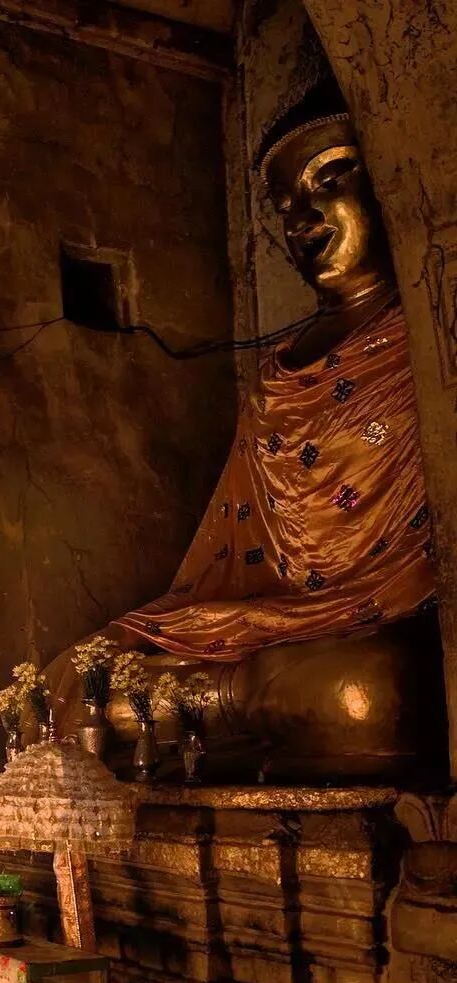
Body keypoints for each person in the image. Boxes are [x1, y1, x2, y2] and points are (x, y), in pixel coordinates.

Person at [46, 73, 436, 749]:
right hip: (266, 625)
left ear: (394, 178)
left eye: (331, 179)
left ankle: (199, 711)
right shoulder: (274, 376)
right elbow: (233, 552)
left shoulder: (430, 330)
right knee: (70, 681)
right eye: (286, 205)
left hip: (379, 622)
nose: (302, 220)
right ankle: (213, 704)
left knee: (366, 695)